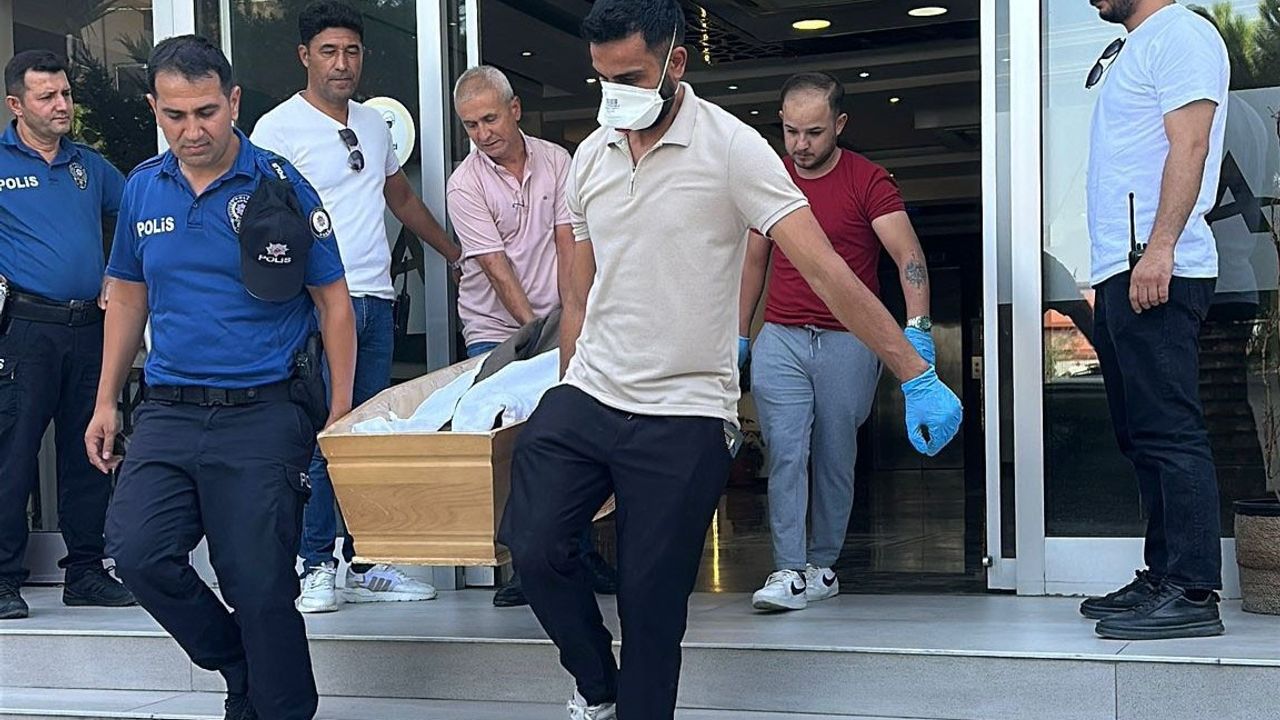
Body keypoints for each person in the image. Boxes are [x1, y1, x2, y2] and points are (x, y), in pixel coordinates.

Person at [496, 2, 962, 718]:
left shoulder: (734, 149)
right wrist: (565, 390)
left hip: (686, 411)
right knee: (532, 548)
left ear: (675, 63)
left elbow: (828, 271)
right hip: (590, 391)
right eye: (602, 79)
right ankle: (596, 685)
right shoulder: (591, 155)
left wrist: (915, 371)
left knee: (652, 605)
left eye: (630, 77)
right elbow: (577, 292)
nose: (614, 96)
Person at [85, 35, 356, 720]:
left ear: (233, 102)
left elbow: (333, 301)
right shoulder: (144, 185)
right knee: (138, 553)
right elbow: (128, 295)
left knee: (259, 584)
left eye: (205, 111)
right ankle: (239, 664)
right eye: (174, 115)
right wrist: (106, 400)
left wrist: (341, 410)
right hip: (169, 409)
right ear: (155, 109)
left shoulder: (280, 184)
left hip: (264, 412)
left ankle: (279, 705)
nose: (192, 130)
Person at [251, 0, 451, 614]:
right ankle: (316, 565)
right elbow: (260, 225)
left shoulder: (373, 124)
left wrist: (453, 252)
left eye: (352, 51)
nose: (342, 64)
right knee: (323, 434)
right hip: (316, 305)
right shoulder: (275, 130)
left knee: (367, 436)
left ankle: (368, 562)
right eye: (329, 52)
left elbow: (400, 197)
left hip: (375, 300)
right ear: (304, 56)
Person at [739, 72, 934, 612]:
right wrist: (739, 335)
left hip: (850, 339)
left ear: (840, 125)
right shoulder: (772, 179)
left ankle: (821, 566)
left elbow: (908, 256)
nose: (800, 145)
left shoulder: (868, 180)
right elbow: (753, 262)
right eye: (790, 131)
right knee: (786, 450)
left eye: (814, 132)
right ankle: (787, 569)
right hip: (782, 336)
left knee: (834, 454)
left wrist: (918, 331)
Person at [1075, 0, 1229, 640]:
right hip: (1124, 267)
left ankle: (1192, 590)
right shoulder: (1138, 46)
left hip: (1159, 264)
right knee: (1140, 433)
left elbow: (1190, 145)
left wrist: (1159, 249)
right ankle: (1163, 574)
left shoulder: (1182, 34)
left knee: (1169, 430)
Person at [447, 65, 616, 608]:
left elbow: (571, 246)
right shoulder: (463, 184)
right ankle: (527, 564)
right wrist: (537, 334)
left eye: (490, 119)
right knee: (514, 443)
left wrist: (572, 320)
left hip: (562, 320)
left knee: (571, 435)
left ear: (515, 109)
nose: (482, 133)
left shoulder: (558, 162)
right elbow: (497, 271)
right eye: (471, 125)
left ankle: (579, 552)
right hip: (497, 331)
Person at [0, 50, 134, 620]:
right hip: (25, 330)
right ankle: (3, 579)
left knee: (91, 450)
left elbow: (135, 212)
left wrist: (118, 271)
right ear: (16, 104)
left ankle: (86, 571)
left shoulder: (89, 165)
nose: (62, 105)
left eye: (66, 94)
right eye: (47, 96)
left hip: (90, 329)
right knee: (12, 454)